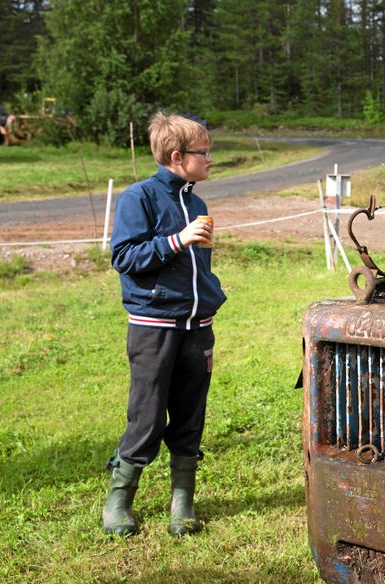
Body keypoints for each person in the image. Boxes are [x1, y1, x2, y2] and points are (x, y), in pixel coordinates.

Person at [103, 112, 226, 537]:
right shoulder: (138, 198)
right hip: (153, 325)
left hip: (198, 325)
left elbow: (194, 263)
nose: (210, 159)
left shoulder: (196, 203)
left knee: (191, 414)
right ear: (178, 156)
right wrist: (178, 240)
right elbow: (124, 257)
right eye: (204, 153)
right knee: (148, 416)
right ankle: (119, 500)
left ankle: (182, 503)